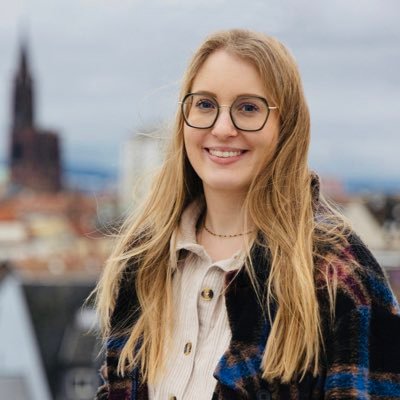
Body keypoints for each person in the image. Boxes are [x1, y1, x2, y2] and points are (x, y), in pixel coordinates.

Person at [94, 29, 400, 400]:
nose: (222, 129)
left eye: (248, 108)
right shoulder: (143, 262)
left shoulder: (336, 273)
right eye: (205, 104)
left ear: (285, 126)